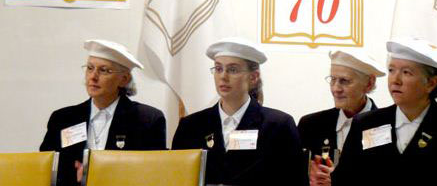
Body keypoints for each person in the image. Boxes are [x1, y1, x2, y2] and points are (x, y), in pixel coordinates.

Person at [332, 37, 437, 186]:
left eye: (406, 72)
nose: (395, 80)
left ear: (431, 83)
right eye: (391, 70)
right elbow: (343, 180)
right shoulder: (366, 123)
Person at [172, 37, 306, 186]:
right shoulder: (191, 126)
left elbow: (295, 180)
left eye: (233, 69)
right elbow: (176, 179)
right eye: (218, 69)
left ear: (253, 77)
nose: (223, 76)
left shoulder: (278, 125)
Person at [40, 39, 167, 186]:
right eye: (89, 68)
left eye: (104, 70)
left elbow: (153, 174)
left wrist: (100, 175)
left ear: (124, 79)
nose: (93, 77)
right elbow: (46, 169)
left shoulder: (147, 120)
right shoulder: (63, 119)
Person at [298, 50, 385, 186]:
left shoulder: (384, 126)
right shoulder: (311, 125)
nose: (335, 89)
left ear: (369, 84)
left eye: (344, 81)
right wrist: (308, 177)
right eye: (332, 80)